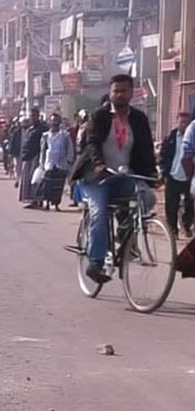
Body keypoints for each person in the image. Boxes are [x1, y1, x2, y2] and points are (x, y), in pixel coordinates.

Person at [70, 74, 157, 283]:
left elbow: (146, 148)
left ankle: (126, 241)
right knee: (99, 214)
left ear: (131, 93)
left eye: (124, 91)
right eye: (116, 91)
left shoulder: (139, 119)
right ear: (110, 93)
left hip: (124, 175)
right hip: (96, 176)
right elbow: (91, 143)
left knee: (147, 198)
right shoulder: (99, 116)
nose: (119, 95)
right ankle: (96, 262)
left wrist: (152, 172)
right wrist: (99, 164)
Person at [159, 110, 193, 238]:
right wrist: (163, 171)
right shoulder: (170, 138)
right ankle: (173, 231)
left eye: (187, 122)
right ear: (177, 122)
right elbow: (163, 155)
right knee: (171, 206)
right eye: (182, 122)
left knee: (189, 205)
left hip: (188, 176)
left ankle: (186, 226)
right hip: (172, 176)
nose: (184, 125)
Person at [38, 113, 74, 211]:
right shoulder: (45, 136)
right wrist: (41, 163)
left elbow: (69, 149)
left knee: (58, 186)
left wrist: (69, 160)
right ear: (49, 122)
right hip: (49, 163)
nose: (54, 123)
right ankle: (47, 203)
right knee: (47, 185)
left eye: (56, 121)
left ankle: (57, 204)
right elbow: (42, 150)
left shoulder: (65, 135)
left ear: (59, 122)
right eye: (52, 121)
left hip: (61, 164)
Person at [19, 108, 47, 207]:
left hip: (36, 157)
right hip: (27, 157)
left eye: (34, 115)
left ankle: (36, 201)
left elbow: (44, 144)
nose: (32, 117)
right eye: (31, 115)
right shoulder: (29, 128)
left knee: (36, 179)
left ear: (38, 116)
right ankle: (32, 200)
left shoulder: (41, 129)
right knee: (28, 179)